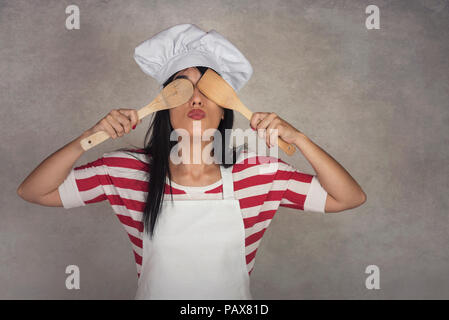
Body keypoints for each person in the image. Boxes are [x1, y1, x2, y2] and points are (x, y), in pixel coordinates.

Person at [17, 24, 366, 300]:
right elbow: (34, 190)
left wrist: (301, 139)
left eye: (209, 90)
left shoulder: (261, 174)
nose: (196, 98)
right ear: (165, 104)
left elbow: (348, 197)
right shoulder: (125, 171)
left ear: (224, 107)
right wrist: (89, 136)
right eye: (182, 88)